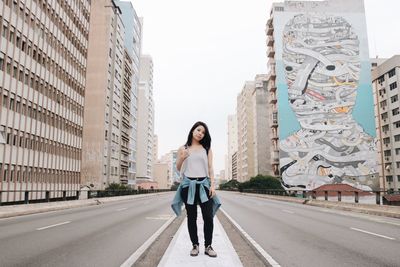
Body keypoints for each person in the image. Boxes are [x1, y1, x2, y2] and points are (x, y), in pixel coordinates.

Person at [171, 121, 221, 257]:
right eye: (198, 130)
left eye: (203, 132)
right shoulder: (183, 148)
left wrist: (212, 185)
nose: (200, 133)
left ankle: (208, 246)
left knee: (208, 217)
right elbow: (178, 167)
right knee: (191, 217)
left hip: (204, 185)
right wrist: (182, 157)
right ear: (193, 130)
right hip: (188, 186)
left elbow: (210, 168)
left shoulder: (207, 148)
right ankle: (195, 245)